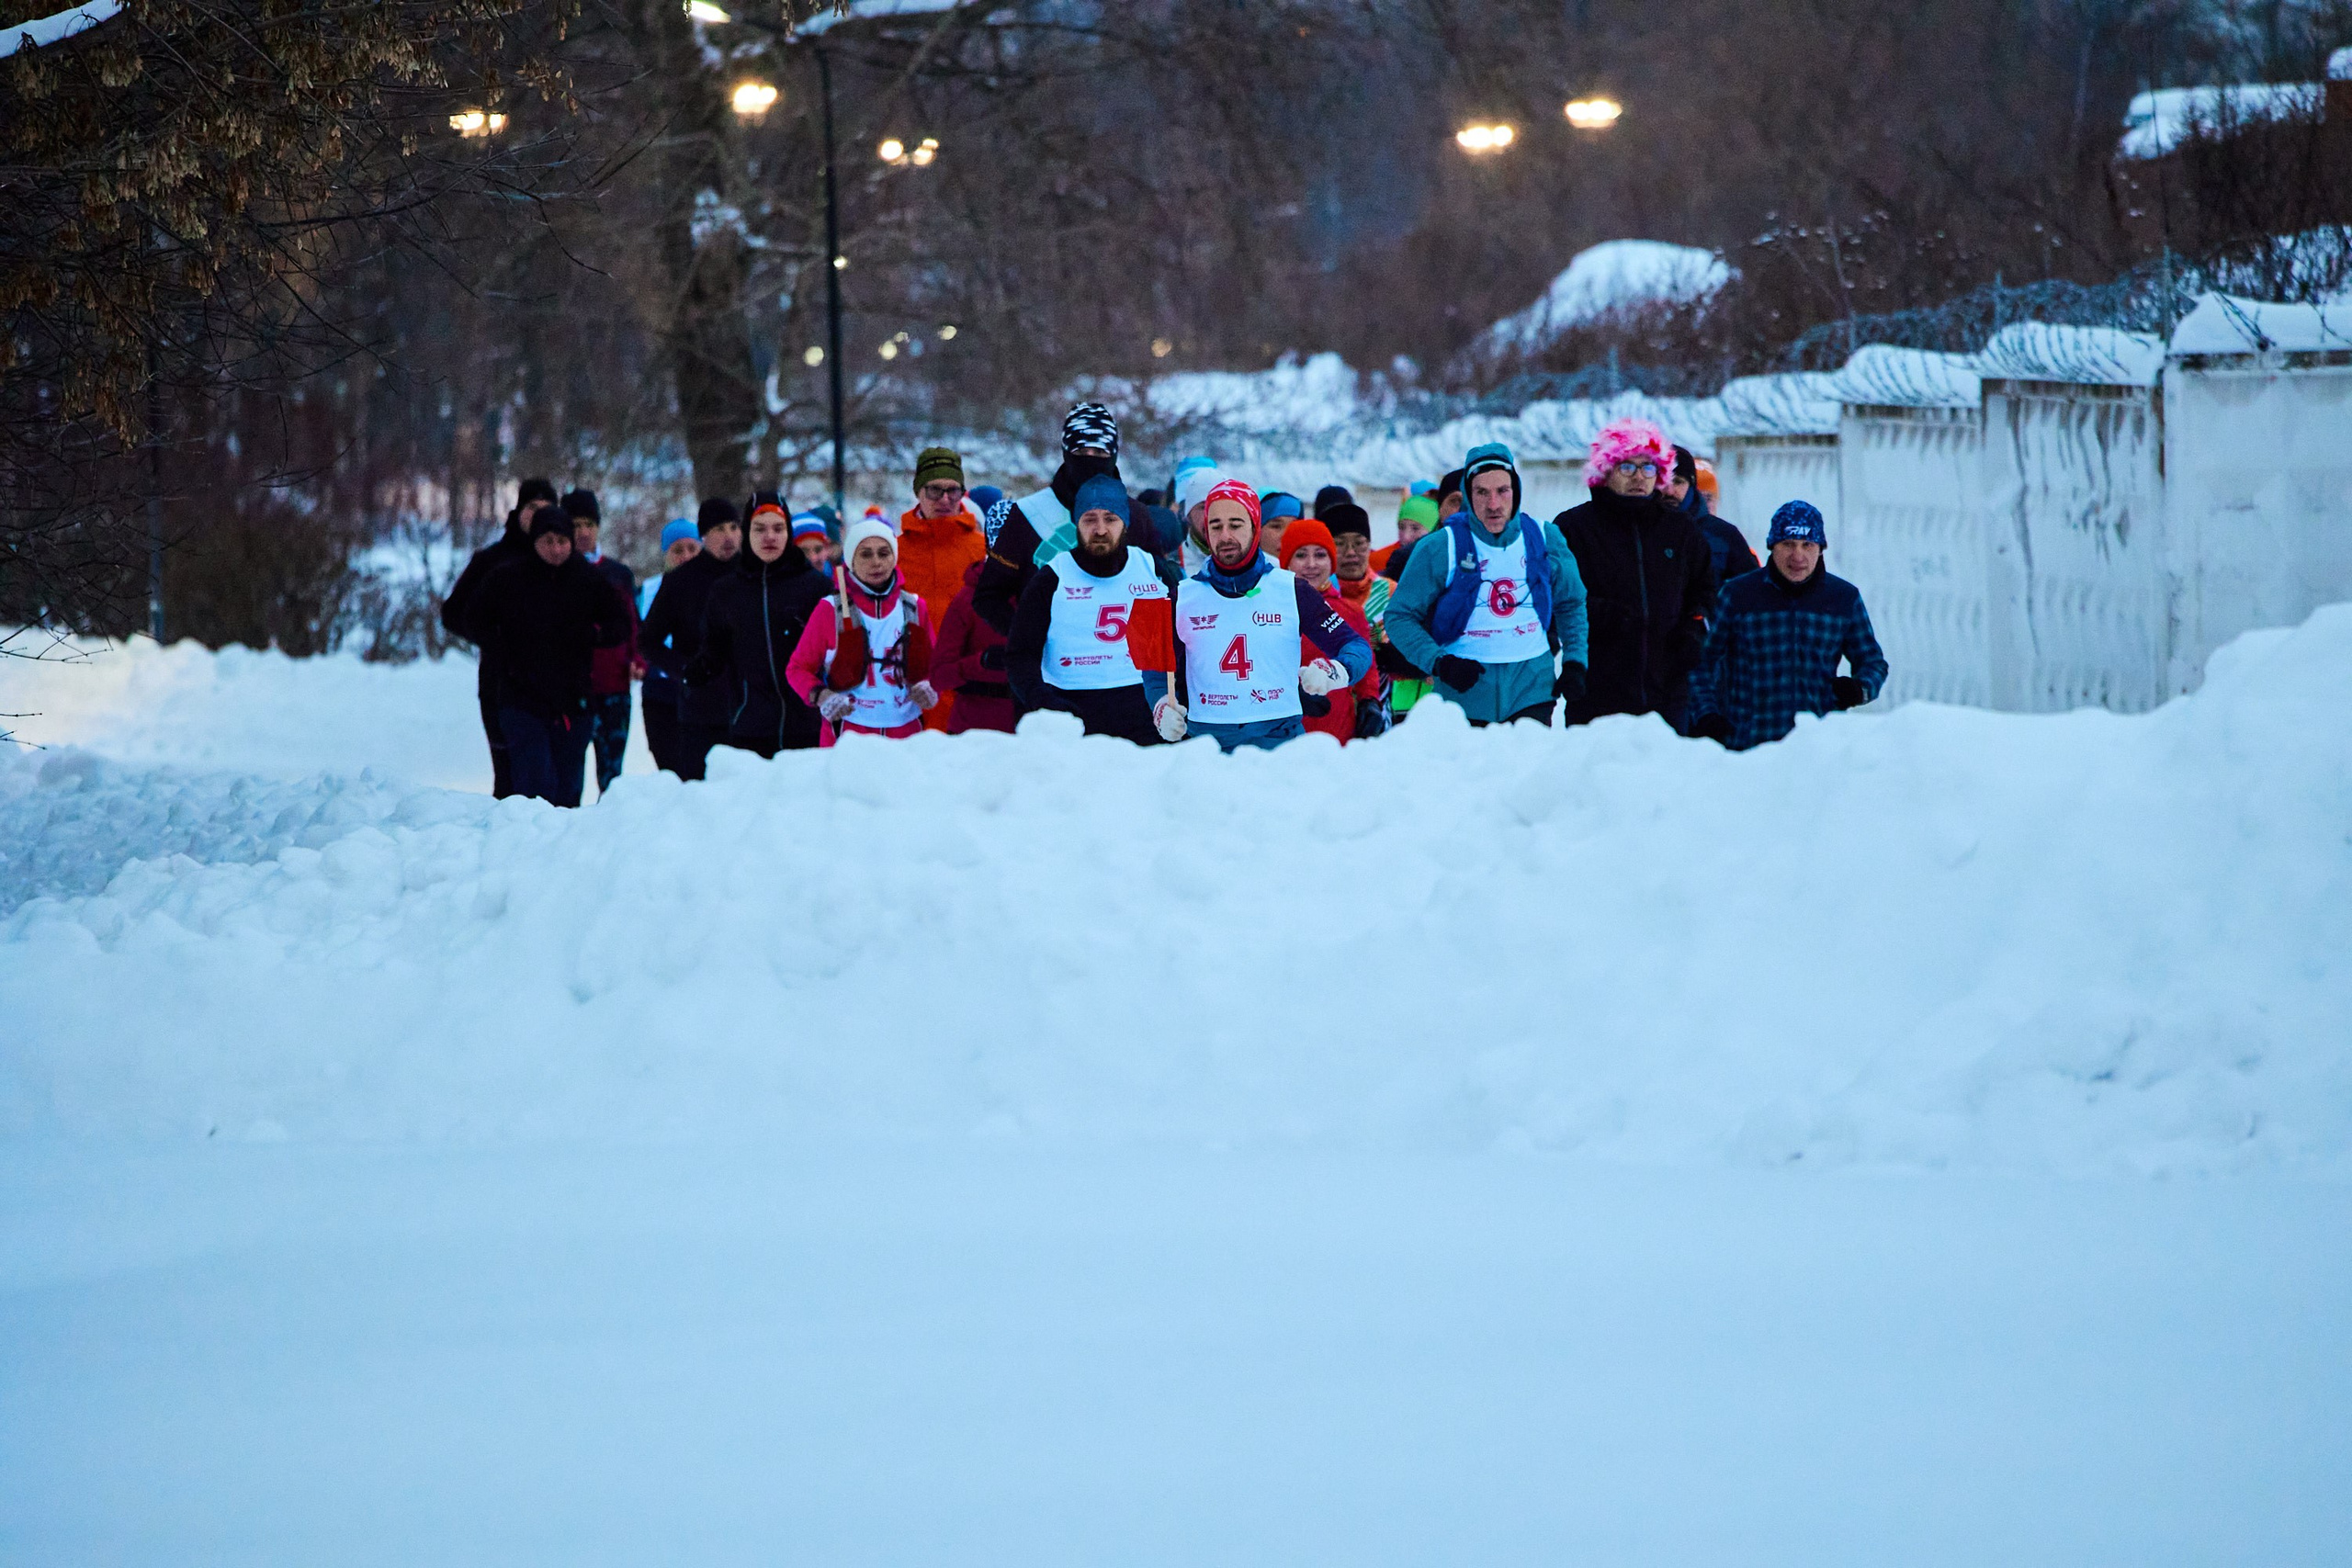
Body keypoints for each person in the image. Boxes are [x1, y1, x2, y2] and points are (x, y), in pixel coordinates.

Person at [1153, 479, 1372, 752]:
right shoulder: (1182, 596)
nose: (1225, 536)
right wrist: (1161, 705)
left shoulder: (1291, 589)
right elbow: (1156, 666)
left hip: (1279, 745)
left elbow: (1356, 646)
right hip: (1207, 747)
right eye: (1215, 526)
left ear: (1255, 527)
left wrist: (1338, 671)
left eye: (1235, 525)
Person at [1385, 442, 1588, 728]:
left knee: (1525, 771)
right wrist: (1439, 662)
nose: (1493, 504)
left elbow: (1572, 602)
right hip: (1463, 694)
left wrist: (1575, 662)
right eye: (1482, 492)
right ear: (1468, 495)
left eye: (1502, 491)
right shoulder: (1441, 547)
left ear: (1515, 491)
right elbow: (1400, 616)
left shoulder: (1545, 537)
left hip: (1532, 691)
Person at [1553, 419, 1716, 731]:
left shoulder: (1680, 530)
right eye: (1627, 467)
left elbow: (1705, 590)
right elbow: (1560, 596)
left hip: (1667, 690)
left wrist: (1695, 629)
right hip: (1597, 690)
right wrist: (1605, 614)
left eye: (1648, 468)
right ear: (1606, 471)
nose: (1639, 477)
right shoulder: (1574, 528)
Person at [464, 502, 631, 806]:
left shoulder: (587, 578)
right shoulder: (508, 578)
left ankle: (566, 851)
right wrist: (502, 648)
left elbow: (621, 623)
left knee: (568, 793)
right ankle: (529, 848)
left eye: (562, 541)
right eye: (548, 541)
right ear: (535, 542)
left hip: (574, 701)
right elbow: (470, 617)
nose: (556, 550)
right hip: (521, 698)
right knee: (534, 790)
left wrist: (594, 635)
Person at [1689, 501, 1887, 750]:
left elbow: (1873, 662)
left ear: (1821, 549)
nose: (1798, 556)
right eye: (1788, 545)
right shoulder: (1737, 595)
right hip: (1749, 748)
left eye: (1808, 545)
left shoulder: (1843, 599)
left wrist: (1860, 689)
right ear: (1772, 546)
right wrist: (1708, 716)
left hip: (1818, 749)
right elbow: (1700, 664)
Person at [1004, 471, 1177, 743]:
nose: (1100, 530)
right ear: (1076, 523)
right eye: (1089, 519)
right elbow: (1020, 655)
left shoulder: (1151, 569)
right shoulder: (1053, 577)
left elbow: (1183, 639)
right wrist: (1043, 700)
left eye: (1110, 519)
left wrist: (1176, 700)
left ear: (1125, 523)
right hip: (1074, 714)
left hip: (1144, 714)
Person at [441, 477, 560, 797]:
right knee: (508, 774)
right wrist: (495, 638)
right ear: (518, 510)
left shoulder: (562, 561)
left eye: (546, 509)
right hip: (497, 681)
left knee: (550, 775)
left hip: (552, 686)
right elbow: (453, 613)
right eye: (531, 507)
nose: (537, 515)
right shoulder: (491, 560)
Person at [692, 492, 832, 759]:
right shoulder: (727, 591)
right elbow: (714, 649)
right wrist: (701, 668)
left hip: (808, 727)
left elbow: (837, 653)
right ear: (747, 533)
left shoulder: (817, 587)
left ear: (788, 533)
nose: (770, 537)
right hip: (751, 729)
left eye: (778, 528)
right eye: (760, 529)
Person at [973, 401, 1125, 637]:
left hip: (1119, 664)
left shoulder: (1135, 514)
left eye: (1100, 453)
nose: (1091, 460)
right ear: (1066, 452)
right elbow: (988, 596)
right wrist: (1027, 640)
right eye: (1081, 452)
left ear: (1113, 455)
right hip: (1050, 668)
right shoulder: (1027, 514)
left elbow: (1159, 591)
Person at [788, 515, 938, 743]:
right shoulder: (831, 609)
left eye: (884, 553)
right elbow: (797, 668)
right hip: (848, 736)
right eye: (865, 554)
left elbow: (937, 667)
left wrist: (930, 686)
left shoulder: (915, 607)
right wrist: (822, 696)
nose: (876, 562)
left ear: (894, 558)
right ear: (851, 561)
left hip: (907, 736)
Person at [639, 497, 742, 779]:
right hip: (700, 710)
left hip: (750, 707)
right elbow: (648, 640)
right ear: (705, 535)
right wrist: (684, 669)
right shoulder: (680, 582)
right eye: (720, 529)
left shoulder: (753, 574)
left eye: (734, 527)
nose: (729, 536)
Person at [897, 446, 987, 732]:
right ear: (918, 492)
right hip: (906, 690)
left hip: (967, 688)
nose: (945, 499)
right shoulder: (892, 551)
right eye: (934, 490)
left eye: (953, 490)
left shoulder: (982, 549)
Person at [560, 490, 639, 800]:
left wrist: (637, 661)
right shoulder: (557, 574)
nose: (583, 532)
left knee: (612, 779)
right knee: (568, 780)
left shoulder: (618, 574)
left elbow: (634, 625)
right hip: (572, 691)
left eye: (589, 524)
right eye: (575, 524)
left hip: (614, 689)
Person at [1279, 517, 1386, 742]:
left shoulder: (1350, 610)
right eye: (1300, 555)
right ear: (1286, 562)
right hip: (1285, 732)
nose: (1311, 564)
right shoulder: (1273, 609)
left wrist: (1370, 701)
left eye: (1320, 554)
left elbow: (1365, 665)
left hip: (1338, 733)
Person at [636, 519, 701, 774]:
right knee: (669, 768)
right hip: (660, 693)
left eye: (691, 549)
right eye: (677, 550)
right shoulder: (648, 590)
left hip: (700, 691)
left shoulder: (713, 588)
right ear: (666, 554)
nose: (685, 556)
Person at [930, 559, 1018, 734]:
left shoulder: (1047, 592)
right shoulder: (968, 598)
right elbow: (939, 676)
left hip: (1031, 730)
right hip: (972, 731)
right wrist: (980, 663)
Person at [1668, 445, 1761, 592]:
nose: (1670, 490)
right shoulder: (1637, 531)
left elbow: (1752, 590)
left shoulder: (1725, 535)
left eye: (1678, 482)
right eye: (1665, 481)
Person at [1371, 492, 1436, 576]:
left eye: (1415, 528)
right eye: (1401, 527)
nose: (1406, 537)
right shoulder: (1377, 561)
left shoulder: (1442, 563)